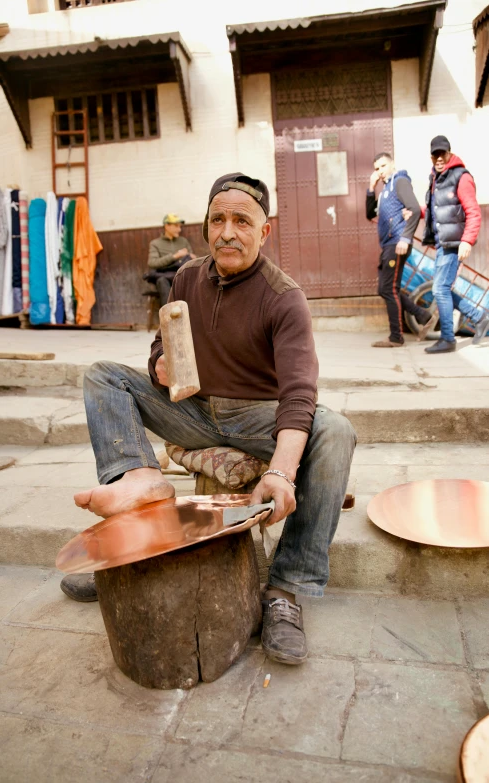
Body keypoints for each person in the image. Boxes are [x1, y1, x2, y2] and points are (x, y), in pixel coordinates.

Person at [60, 172, 357, 666]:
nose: (227, 232)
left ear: (264, 232)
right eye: (217, 219)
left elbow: (299, 393)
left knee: (336, 431)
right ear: (205, 226)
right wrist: (160, 366)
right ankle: (137, 493)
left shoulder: (284, 297)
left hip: (258, 418)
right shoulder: (186, 277)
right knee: (103, 376)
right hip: (195, 411)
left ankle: (287, 587)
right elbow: (162, 347)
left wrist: (282, 472)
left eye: (242, 221)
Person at [417, 135, 489, 353]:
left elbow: (473, 212)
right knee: (443, 289)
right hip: (442, 243)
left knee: (440, 289)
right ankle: (480, 317)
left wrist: (467, 241)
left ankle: (448, 338)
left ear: (449, 153)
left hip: (455, 244)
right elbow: (436, 211)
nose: (439, 158)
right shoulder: (436, 179)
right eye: (435, 154)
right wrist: (415, 212)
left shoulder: (461, 177)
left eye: (443, 153)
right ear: (431, 157)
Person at [366, 152, 431, 347]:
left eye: (383, 166)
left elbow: (415, 209)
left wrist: (405, 237)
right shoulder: (386, 190)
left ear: (392, 164)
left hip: (397, 243)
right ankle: (423, 315)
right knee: (385, 289)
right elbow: (370, 213)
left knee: (388, 289)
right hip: (389, 245)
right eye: (377, 169)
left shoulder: (400, 181)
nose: (380, 171)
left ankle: (396, 337)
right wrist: (371, 188)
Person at [145, 213, 196, 306]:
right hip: (164, 275)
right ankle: (169, 315)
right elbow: (152, 263)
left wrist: (192, 257)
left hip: (181, 274)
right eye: (176, 226)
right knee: (162, 281)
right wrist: (174, 256)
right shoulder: (155, 243)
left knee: (193, 279)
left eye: (180, 226)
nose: (179, 229)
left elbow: (191, 259)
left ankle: (192, 314)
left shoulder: (183, 241)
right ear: (167, 226)